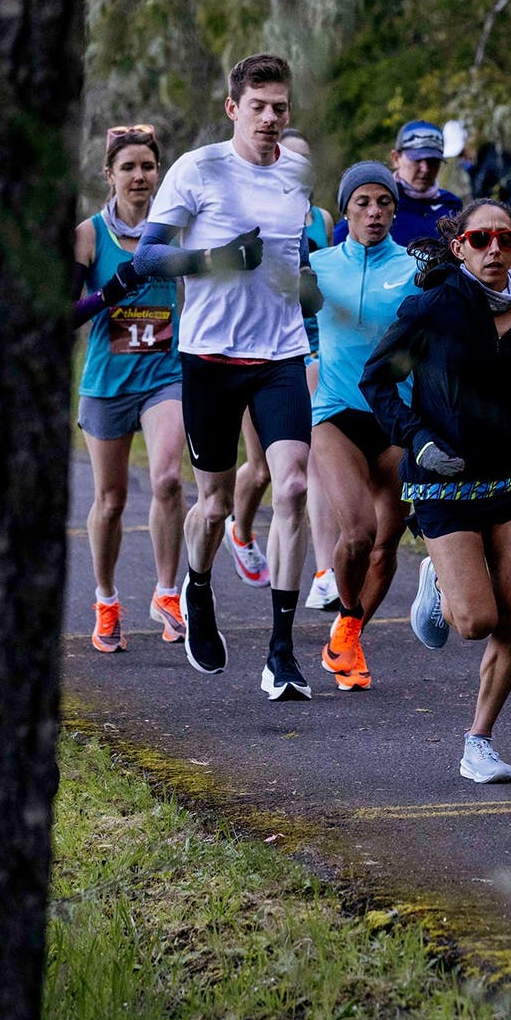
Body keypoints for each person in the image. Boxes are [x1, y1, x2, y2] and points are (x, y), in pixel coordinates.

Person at [362, 200, 511, 783]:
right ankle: (440, 578)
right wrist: (416, 440)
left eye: (505, 239)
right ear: (458, 246)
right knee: (475, 622)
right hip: (445, 480)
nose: (494, 249)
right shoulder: (432, 309)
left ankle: (479, 740)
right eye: (481, 239)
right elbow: (378, 381)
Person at [135, 53, 324, 700]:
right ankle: (197, 586)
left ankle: (281, 651)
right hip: (211, 359)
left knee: (292, 486)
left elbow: (295, 253)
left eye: (280, 107)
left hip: (280, 356)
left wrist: (308, 286)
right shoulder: (197, 169)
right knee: (212, 505)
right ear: (232, 108)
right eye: (258, 107)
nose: (270, 117)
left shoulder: (296, 175)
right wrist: (214, 258)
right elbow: (149, 256)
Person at [71, 124, 187, 652]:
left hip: (165, 375)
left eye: (148, 166)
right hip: (108, 381)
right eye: (128, 167)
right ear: (109, 174)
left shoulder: (175, 230)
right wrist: (113, 289)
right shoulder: (89, 234)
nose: (139, 176)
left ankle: (167, 593)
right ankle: (106, 599)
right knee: (111, 500)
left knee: (167, 479)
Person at [310, 162, 418, 690]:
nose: (374, 212)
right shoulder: (319, 266)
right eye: (363, 203)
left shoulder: (415, 267)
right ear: (346, 211)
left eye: (384, 203)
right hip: (336, 413)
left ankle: (348, 633)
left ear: (395, 210)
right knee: (357, 533)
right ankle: (348, 615)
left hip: (396, 417)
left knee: (386, 544)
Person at [280, 128, 344, 613]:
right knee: (265, 472)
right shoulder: (255, 214)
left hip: (321, 343)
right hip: (273, 345)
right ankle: (239, 528)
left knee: (316, 463)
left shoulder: (322, 219)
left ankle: (324, 572)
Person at [332, 119, 464, 245]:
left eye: (432, 161)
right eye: (417, 160)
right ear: (395, 158)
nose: (425, 169)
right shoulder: (378, 204)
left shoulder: (451, 206)